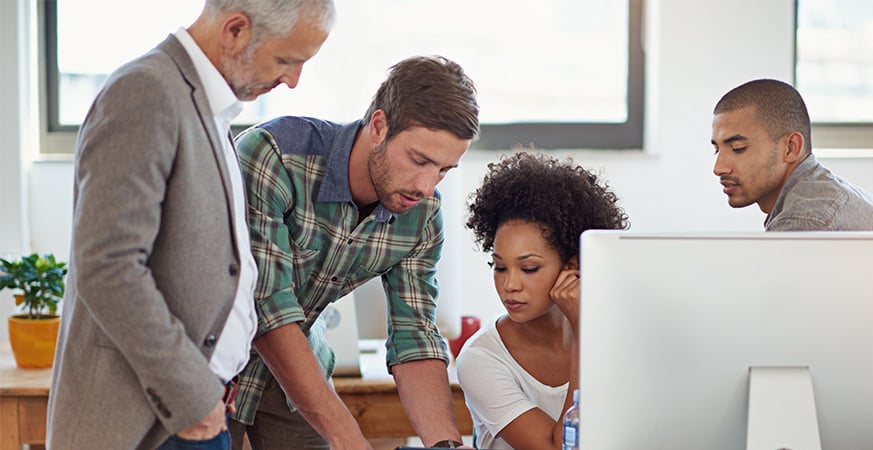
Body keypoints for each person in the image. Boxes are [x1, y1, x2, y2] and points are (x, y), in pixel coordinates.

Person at [46, 1, 334, 449]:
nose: (292, 80)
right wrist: (194, 396)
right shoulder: (146, 92)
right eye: (286, 59)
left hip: (194, 409)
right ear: (235, 30)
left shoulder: (207, 106)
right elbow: (108, 268)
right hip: (154, 417)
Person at [228, 55, 480, 450]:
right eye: (419, 160)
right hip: (212, 367)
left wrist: (445, 445)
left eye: (444, 170)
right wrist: (349, 437)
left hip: (296, 376)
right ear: (378, 126)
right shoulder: (273, 158)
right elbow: (269, 308)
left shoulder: (423, 215)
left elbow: (415, 336)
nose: (427, 186)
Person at [456, 151, 629, 450]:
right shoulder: (481, 359)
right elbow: (561, 448)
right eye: (499, 267)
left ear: (573, 265)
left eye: (529, 268)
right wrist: (582, 331)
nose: (510, 285)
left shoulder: (618, 337)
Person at [711, 78, 873, 231]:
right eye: (717, 150)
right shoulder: (819, 194)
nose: (719, 168)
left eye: (738, 148)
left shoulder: (805, 220)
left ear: (791, 148)